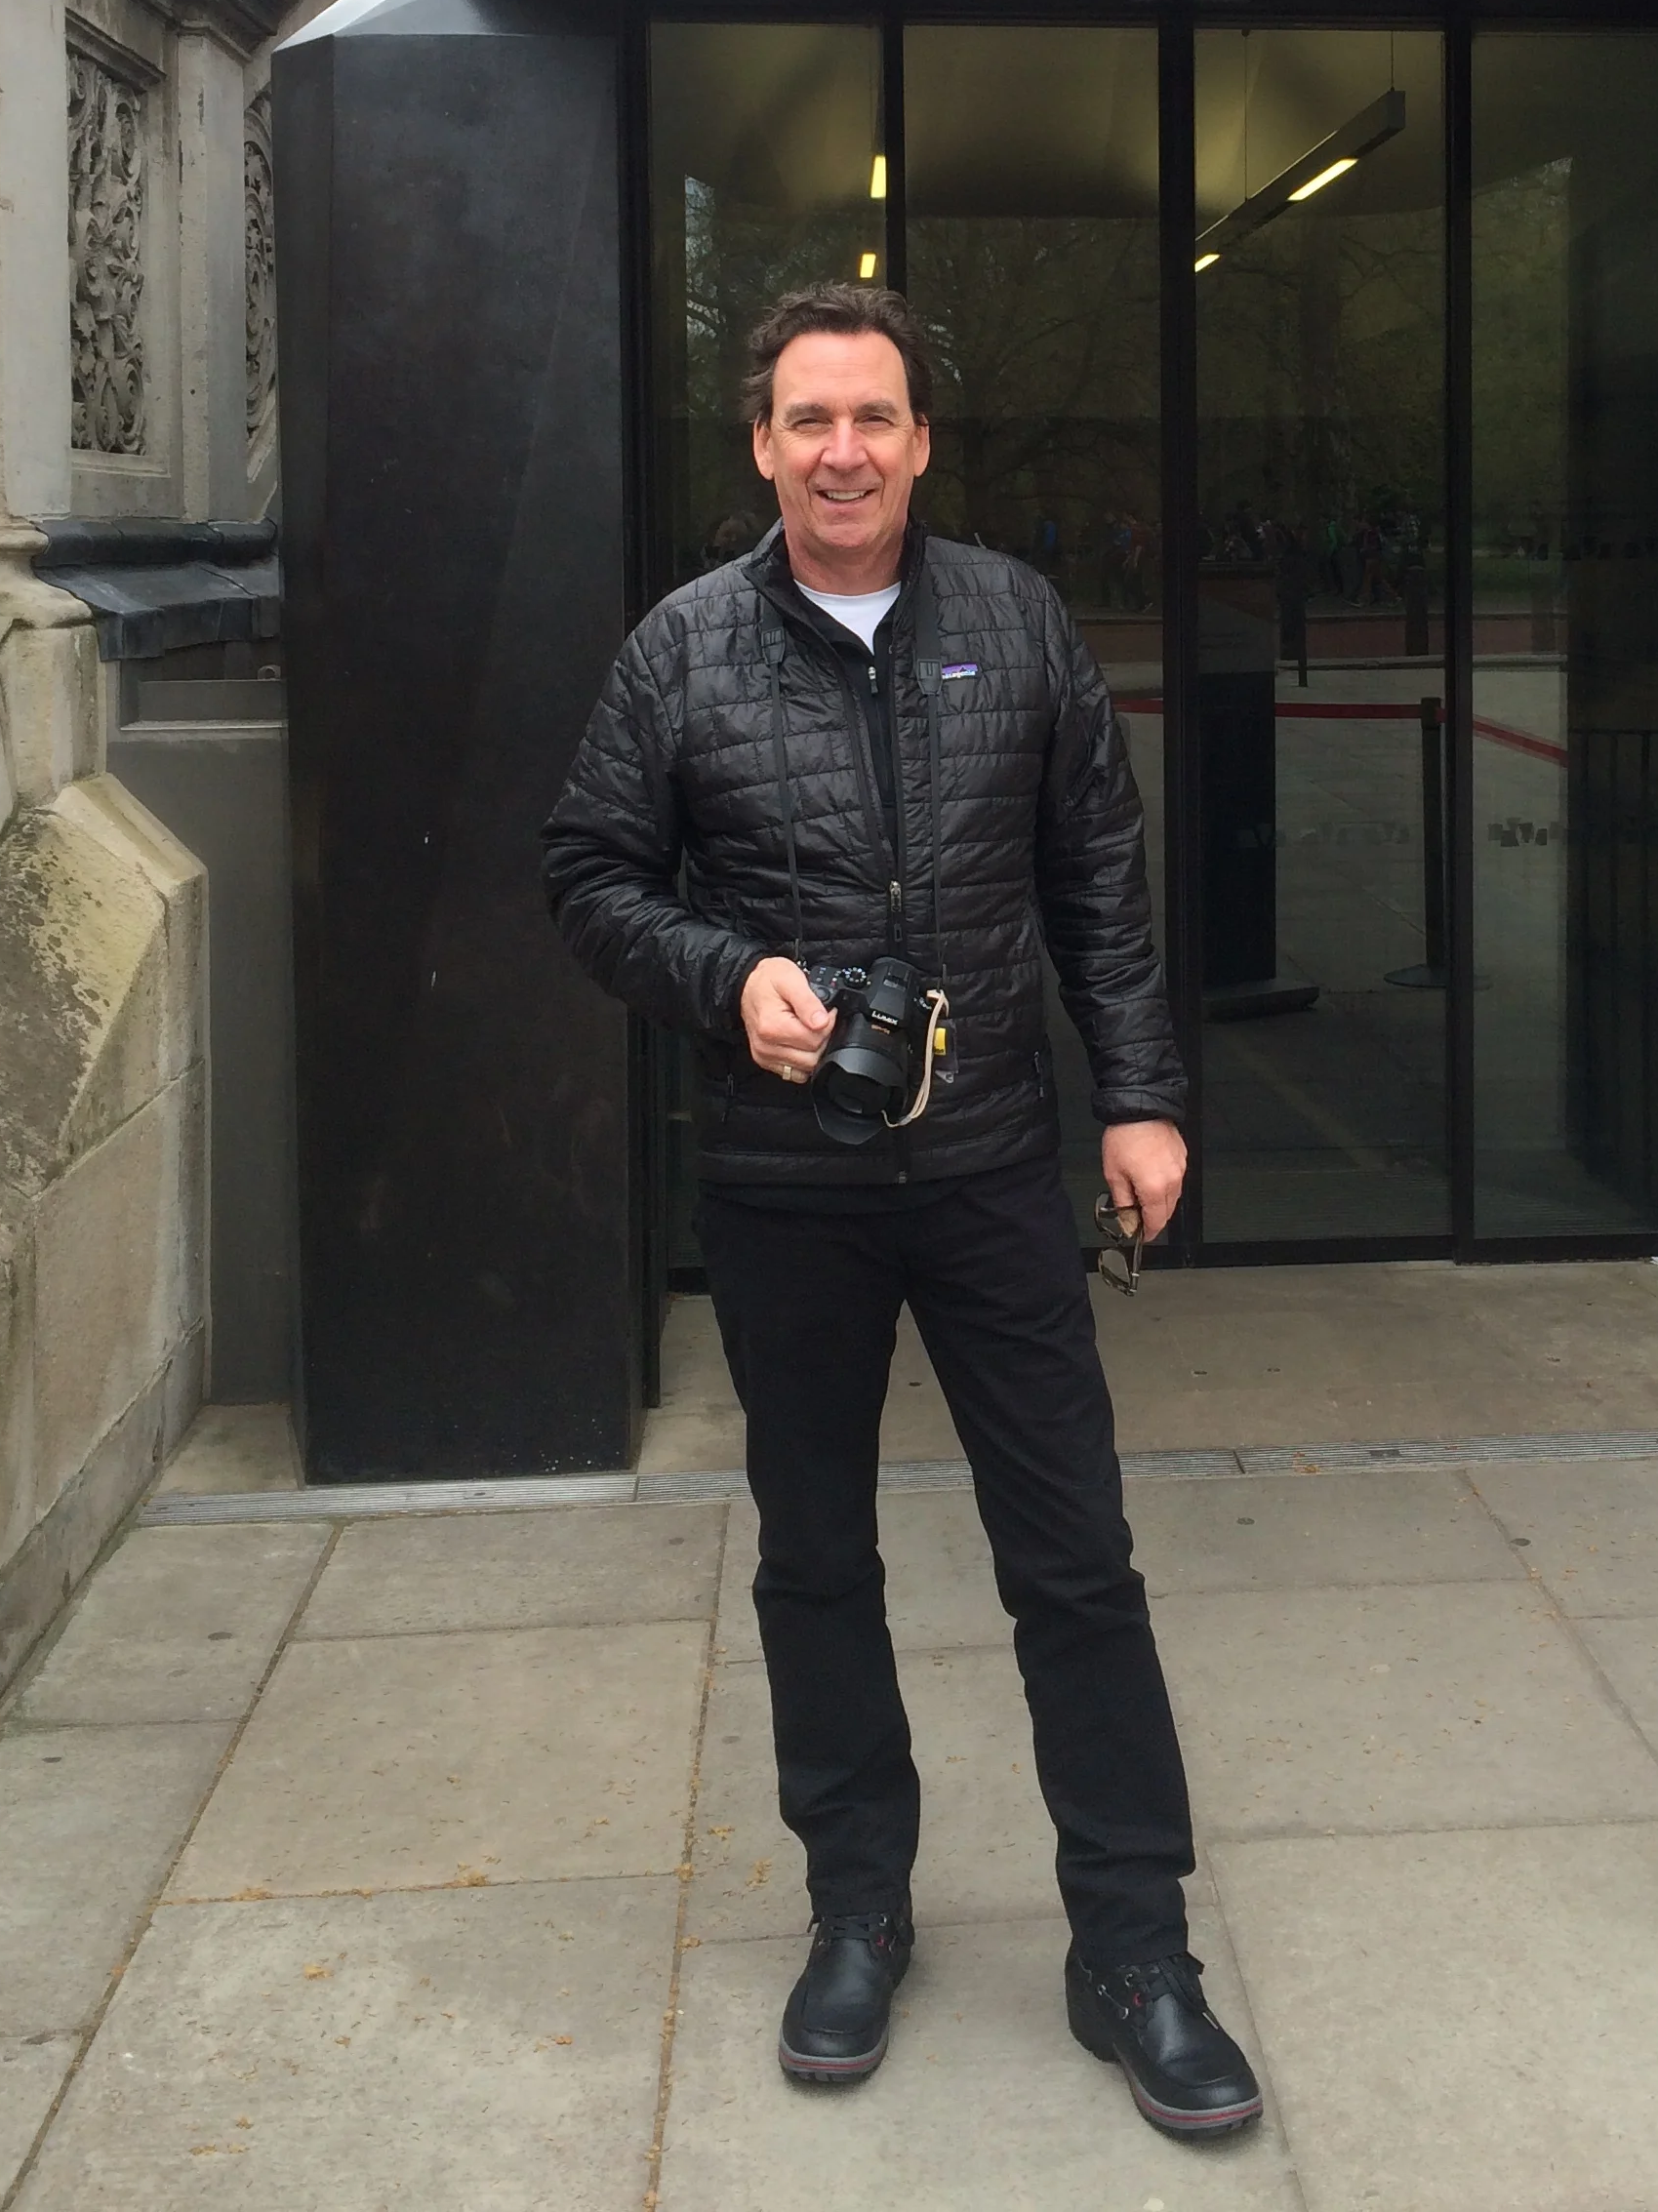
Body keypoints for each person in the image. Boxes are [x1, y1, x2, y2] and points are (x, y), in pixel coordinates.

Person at [541, 282, 1261, 2143]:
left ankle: (1136, 1951)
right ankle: (857, 1909)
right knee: (816, 1560)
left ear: (923, 442)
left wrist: (1146, 1095)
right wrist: (729, 981)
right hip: (786, 1192)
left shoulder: (1017, 622)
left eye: (874, 417)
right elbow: (590, 876)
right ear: (763, 446)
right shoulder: (683, 648)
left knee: (1076, 1558)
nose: (843, 451)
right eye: (810, 420)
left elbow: (1099, 878)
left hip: (996, 1169)